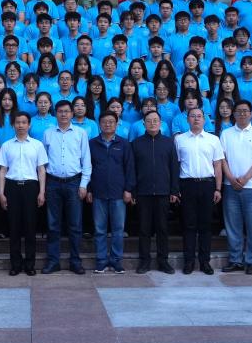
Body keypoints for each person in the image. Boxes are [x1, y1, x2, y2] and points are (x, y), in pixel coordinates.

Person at [41, 100, 92, 274]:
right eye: (60, 111)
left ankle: (75, 261)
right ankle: (53, 261)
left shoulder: (80, 133)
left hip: (74, 183)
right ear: (55, 113)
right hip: (53, 183)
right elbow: (43, 161)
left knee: (75, 225)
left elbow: (86, 161)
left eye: (67, 111)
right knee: (53, 225)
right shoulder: (48, 133)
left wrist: (83, 185)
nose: (63, 114)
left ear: (72, 113)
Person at [220, 100, 252, 274]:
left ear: (251, 113)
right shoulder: (226, 134)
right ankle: (235, 260)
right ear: (233, 114)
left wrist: (246, 178)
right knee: (233, 226)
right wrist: (231, 178)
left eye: (245, 111)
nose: (242, 114)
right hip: (230, 186)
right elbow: (222, 159)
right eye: (239, 111)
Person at [174, 107, 224, 275]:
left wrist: (218, 188)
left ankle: (205, 262)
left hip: (207, 185)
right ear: (187, 119)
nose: (196, 119)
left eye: (199, 116)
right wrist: (176, 188)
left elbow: (217, 166)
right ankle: (189, 261)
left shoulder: (213, 139)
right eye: (192, 116)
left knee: (205, 225)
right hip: (187, 185)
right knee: (188, 225)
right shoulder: (179, 140)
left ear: (204, 119)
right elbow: (176, 165)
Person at [0, 112, 49, 276]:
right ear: (13, 125)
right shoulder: (6, 145)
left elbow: (41, 170)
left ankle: (30, 264)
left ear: (29, 125)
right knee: (13, 227)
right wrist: (1, 193)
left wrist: (42, 191)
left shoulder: (37, 145)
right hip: (12, 187)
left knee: (30, 227)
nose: (20, 125)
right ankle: (15, 264)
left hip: (31, 187)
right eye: (18, 122)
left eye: (24, 122)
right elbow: (2, 170)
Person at [130, 111, 179, 274]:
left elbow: (174, 167)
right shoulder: (136, 144)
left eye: (155, 120)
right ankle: (144, 261)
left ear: (161, 123)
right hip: (143, 193)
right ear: (143, 123)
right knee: (144, 229)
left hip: (163, 192)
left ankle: (163, 261)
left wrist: (174, 190)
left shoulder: (168, 143)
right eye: (149, 121)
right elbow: (132, 169)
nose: (152, 123)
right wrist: (133, 191)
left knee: (162, 228)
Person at [88, 111, 135, 274]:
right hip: (98, 192)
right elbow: (87, 168)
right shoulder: (92, 144)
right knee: (99, 229)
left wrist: (128, 189)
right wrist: (89, 189)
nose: (107, 124)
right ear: (99, 124)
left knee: (118, 230)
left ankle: (116, 261)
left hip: (118, 193)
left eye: (111, 122)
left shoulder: (124, 144)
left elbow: (130, 168)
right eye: (104, 122)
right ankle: (101, 260)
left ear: (116, 124)